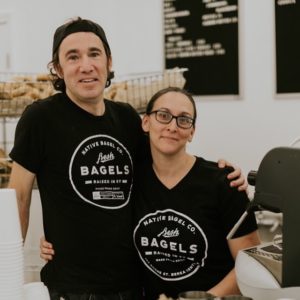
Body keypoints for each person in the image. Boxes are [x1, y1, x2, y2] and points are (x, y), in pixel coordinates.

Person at [9, 17, 246, 300]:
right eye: (73, 57)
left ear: (109, 61)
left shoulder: (125, 118)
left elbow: (165, 168)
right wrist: (10, 267)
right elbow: (18, 197)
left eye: (94, 54)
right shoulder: (41, 118)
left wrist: (221, 172)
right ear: (58, 69)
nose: (86, 65)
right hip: (73, 288)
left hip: (134, 283)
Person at [132, 87, 260, 299]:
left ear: (192, 131)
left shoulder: (224, 183)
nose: (172, 126)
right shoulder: (133, 181)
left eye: (183, 120)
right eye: (163, 116)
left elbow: (251, 263)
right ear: (146, 122)